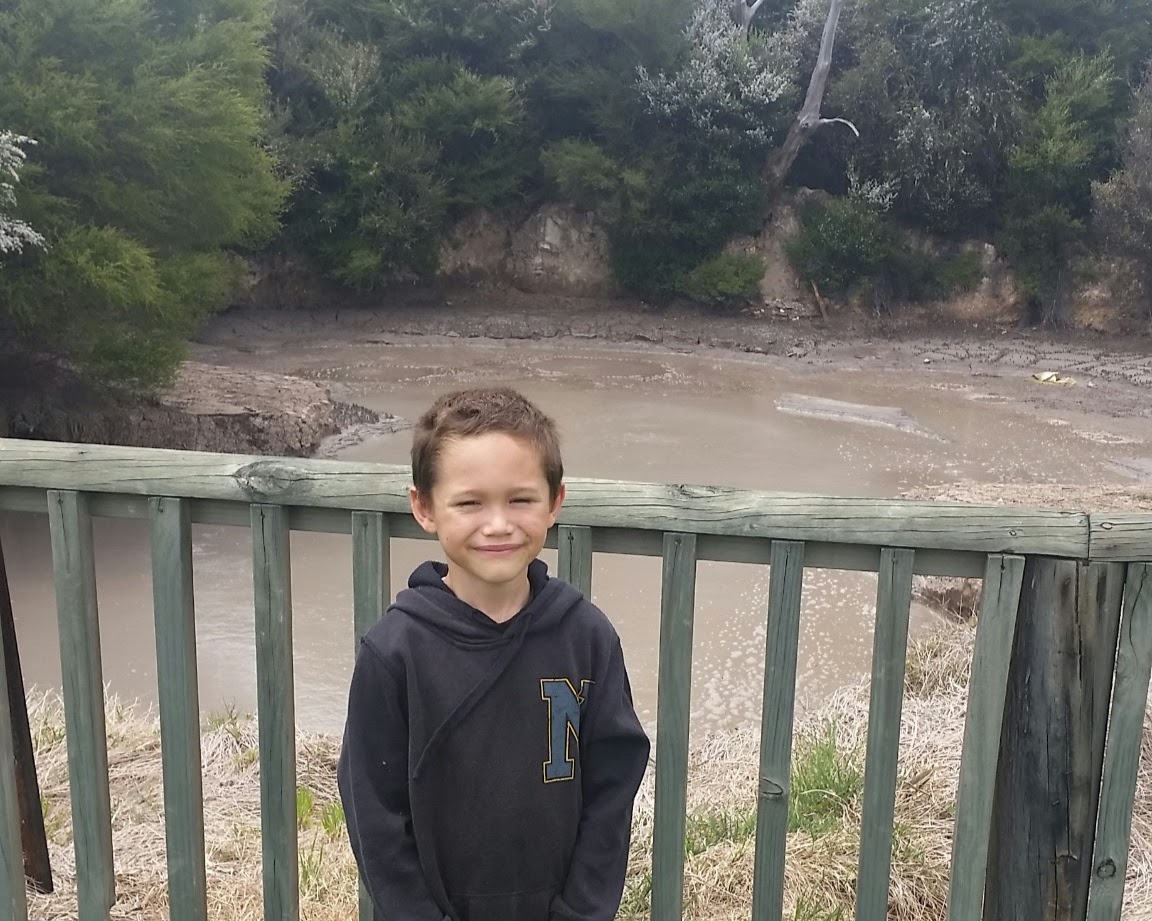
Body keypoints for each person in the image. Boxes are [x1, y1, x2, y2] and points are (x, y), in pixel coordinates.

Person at [337, 386, 651, 921]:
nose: (499, 524)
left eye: (521, 499)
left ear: (555, 502)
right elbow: (374, 813)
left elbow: (611, 791)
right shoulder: (394, 653)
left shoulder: (588, 638)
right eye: (469, 502)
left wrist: (581, 911)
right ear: (424, 507)